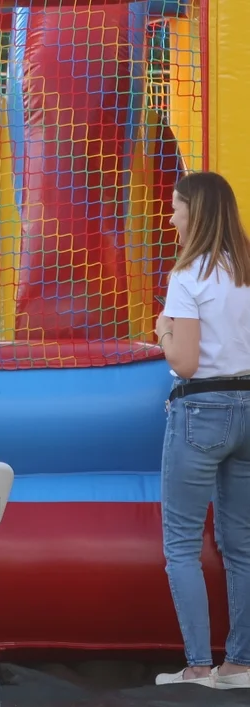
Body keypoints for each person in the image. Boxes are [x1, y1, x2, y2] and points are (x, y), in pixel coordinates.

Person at [153, 171, 250, 690]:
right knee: (243, 545)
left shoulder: (189, 276)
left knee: (183, 545)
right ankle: (240, 663)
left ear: (198, 213)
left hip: (203, 410)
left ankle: (196, 666)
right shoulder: (246, 269)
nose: (171, 219)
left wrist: (164, 330)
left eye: (176, 209)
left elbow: (185, 363)